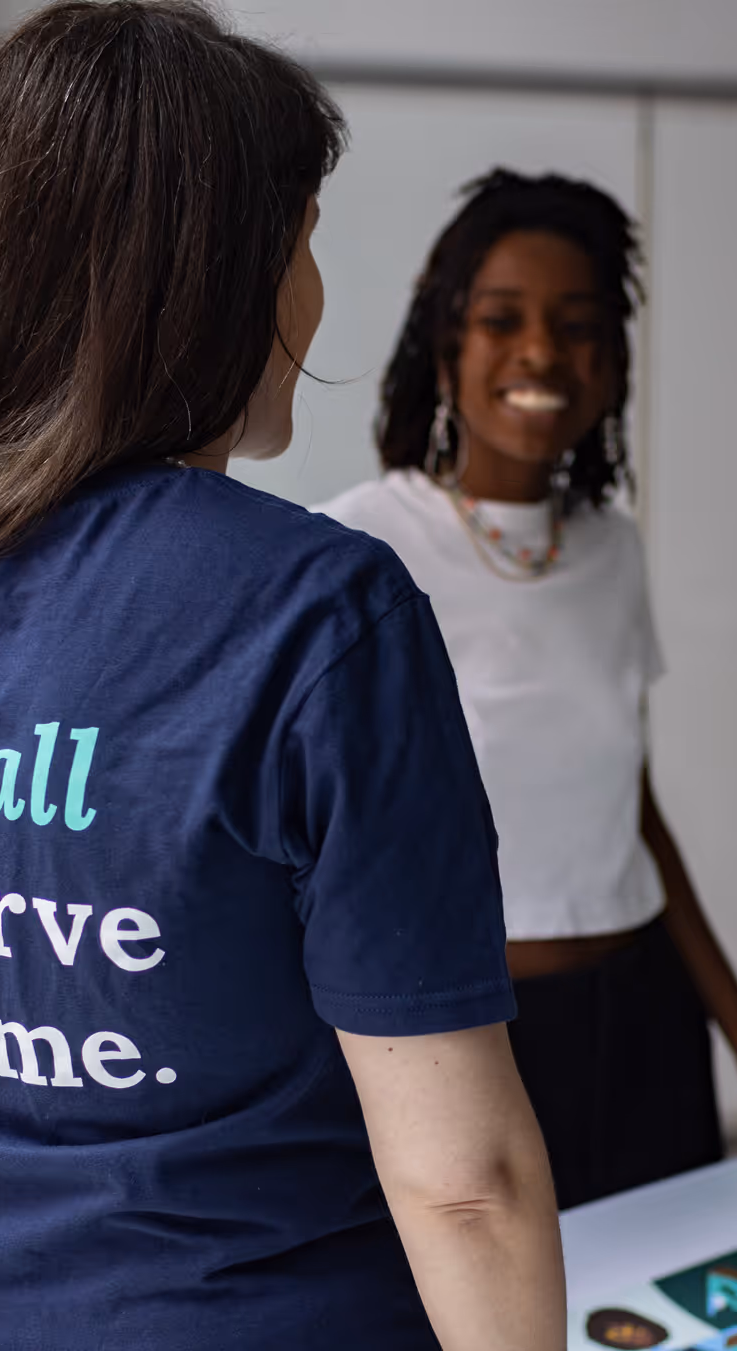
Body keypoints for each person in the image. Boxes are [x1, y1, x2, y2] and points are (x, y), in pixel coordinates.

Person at [0, 9, 564, 1349]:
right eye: (304, 241)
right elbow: (465, 1185)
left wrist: (12, 1114)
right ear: (232, 272)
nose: (313, 292)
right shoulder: (320, 618)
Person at [315, 168, 737, 1212]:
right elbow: (320, 832)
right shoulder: (362, 544)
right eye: (502, 320)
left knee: (664, 1290)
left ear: (613, 363)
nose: (542, 352)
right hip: (466, 1033)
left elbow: (631, 803)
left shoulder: (612, 548)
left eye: (578, 325)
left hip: (642, 1013)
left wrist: (729, 1010)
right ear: (446, 345)